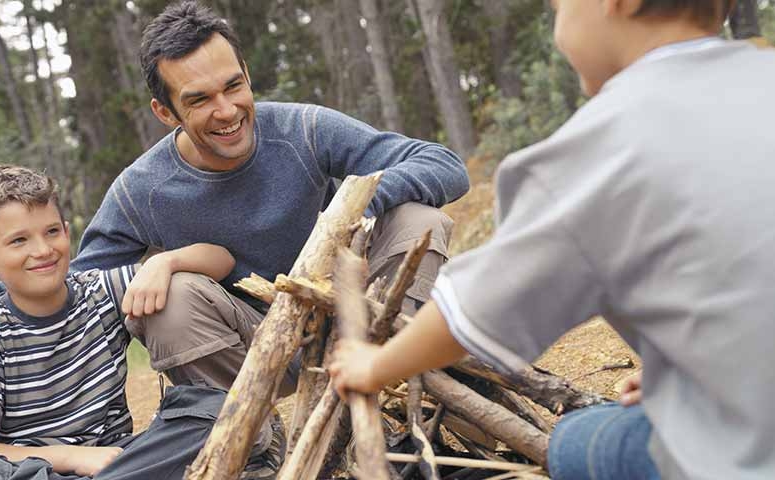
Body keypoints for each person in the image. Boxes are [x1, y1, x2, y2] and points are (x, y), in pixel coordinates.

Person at [328, 1, 775, 479]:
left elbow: (467, 316)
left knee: (578, 439)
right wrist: (694, 371)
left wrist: (374, 366)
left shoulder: (602, 147)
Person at [0, 0, 468, 398]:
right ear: (164, 112)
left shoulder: (304, 128)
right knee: (168, 300)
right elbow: (68, 281)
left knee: (417, 216)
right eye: (200, 99)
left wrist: (355, 207)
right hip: (258, 351)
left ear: (247, 76)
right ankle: (251, 448)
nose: (227, 109)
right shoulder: (142, 188)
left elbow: (443, 165)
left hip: (362, 316)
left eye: (233, 87)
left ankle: (408, 377)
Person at [0, 165, 283, 480]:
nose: (43, 250)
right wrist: (71, 457)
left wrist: (164, 264)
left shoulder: (101, 291)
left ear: (67, 231)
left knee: (210, 408)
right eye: (19, 240)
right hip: (37, 473)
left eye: (52, 232)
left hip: (122, 461)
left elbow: (220, 258)